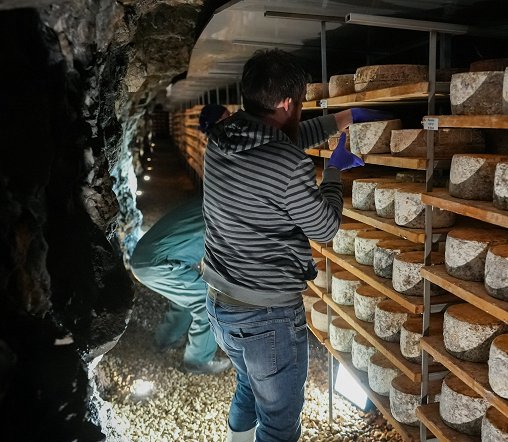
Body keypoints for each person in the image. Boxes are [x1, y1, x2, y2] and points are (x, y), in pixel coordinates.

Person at [203, 48, 391, 442]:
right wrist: (335, 169)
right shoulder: (288, 165)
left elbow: (280, 140)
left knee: (247, 389)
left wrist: (342, 119)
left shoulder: (222, 137)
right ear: (287, 103)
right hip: (265, 316)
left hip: (221, 304)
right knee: (279, 424)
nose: (302, 110)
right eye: (301, 104)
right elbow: (324, 226)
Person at [130, 197, 232, 374]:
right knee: (209, 301)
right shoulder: (226, 217)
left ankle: (165, 341)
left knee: (186, 297)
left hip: (144, 257)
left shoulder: (210, 201)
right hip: (158, 264)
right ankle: (198, 362)